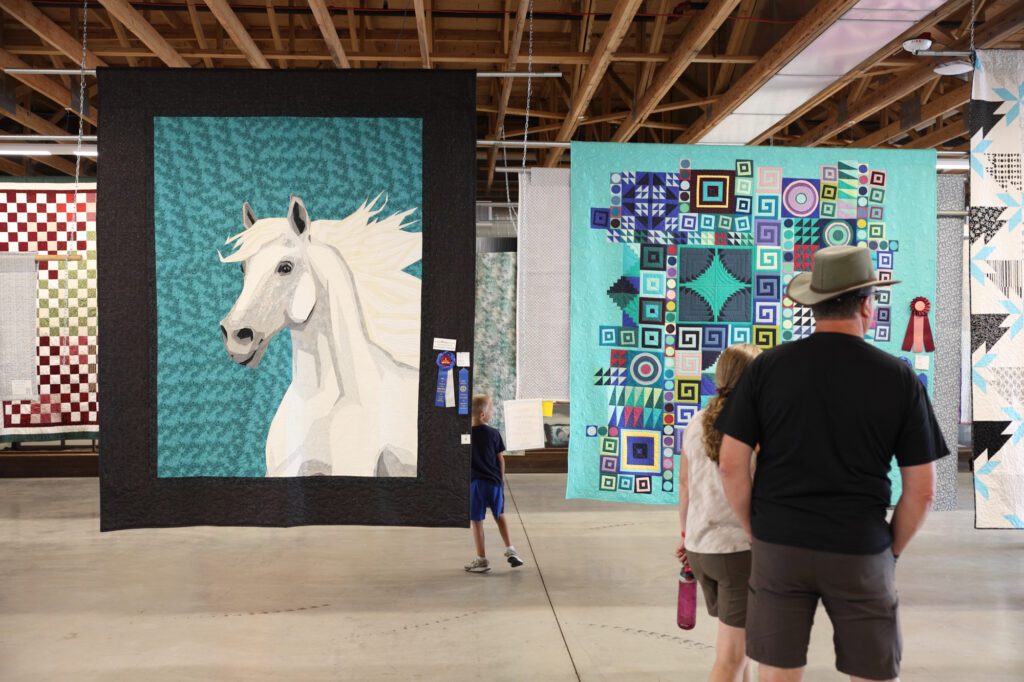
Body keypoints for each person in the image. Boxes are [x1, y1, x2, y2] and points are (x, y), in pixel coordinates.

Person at [715, 246, 947, 682]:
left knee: (777, 669)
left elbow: (730, 464)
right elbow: (923, 489)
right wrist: (889, 548)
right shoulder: (897, 378)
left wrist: (756, 528)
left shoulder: (768, 367)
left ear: (814, 306)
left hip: (779, 542)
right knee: (871, 670)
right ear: (865, 305)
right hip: (859, 545)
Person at [676, 344, 761, 682]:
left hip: (700, 549)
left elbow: (684, 486)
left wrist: (685, 536)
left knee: (741, 651)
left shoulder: (695, 422)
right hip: (737, 552)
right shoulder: (756, 426)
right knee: (730, 660)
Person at [464, 394, 525, 573]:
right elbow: (500, 460)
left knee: (477, 521)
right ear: (483, 415)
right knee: (500, 515)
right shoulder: (493, 433)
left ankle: (481, 559)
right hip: (493, 483)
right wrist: (500, 480)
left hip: (475, 484)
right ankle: (510, 549)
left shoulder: (465, 434)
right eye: (491, 409)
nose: (492, 412)